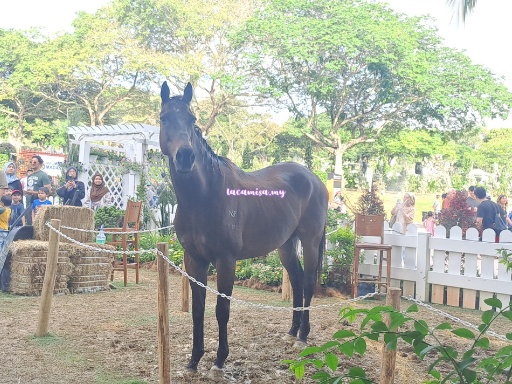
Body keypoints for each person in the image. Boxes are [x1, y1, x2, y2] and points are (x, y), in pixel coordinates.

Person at [26, 156, 51, 225]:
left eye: (34, 162)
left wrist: (34, 192)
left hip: (39, 204)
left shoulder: (43, 175)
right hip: (29, 202)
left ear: (40, 164)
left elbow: (48, 191)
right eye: (31, 162)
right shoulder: (29, 176)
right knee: (29, 223)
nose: (32, 163)